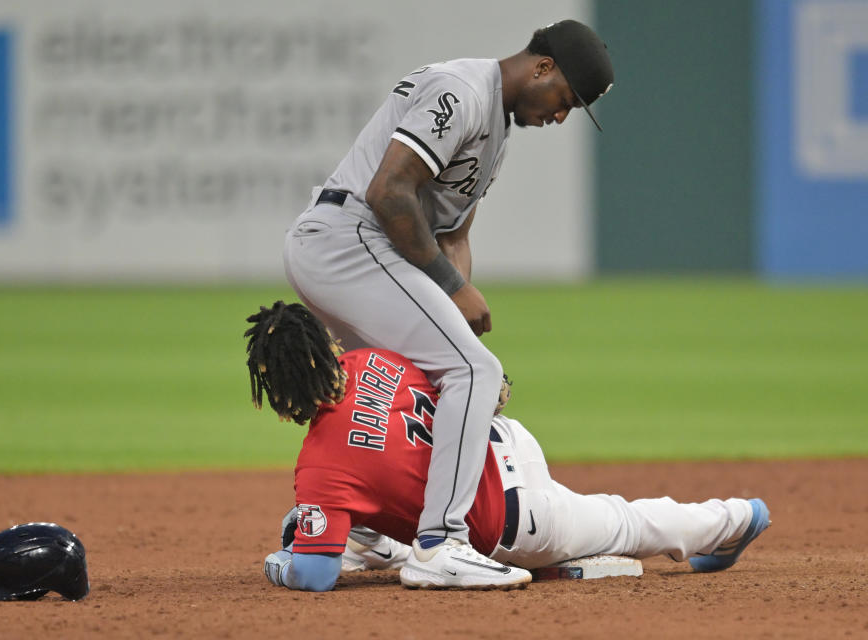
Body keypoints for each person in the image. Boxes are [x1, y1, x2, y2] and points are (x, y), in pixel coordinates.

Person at [283, 19, 615, 587]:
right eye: (567, 99)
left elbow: (452, 238)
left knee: (418, 377)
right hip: (347, 238)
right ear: (542, 67)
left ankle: (360, 534)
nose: (561, 116)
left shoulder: (496, 131)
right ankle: (441, 544)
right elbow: (388, 192)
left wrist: (455, 321)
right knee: (470, 372)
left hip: (360, 251)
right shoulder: (460, 93)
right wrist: (454, 298)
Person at [247, 302, 771, 591]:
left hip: (517, 521)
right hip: (507, 442)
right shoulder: (375, 360)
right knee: (360, 498)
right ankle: (378, 546)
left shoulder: (319, 467)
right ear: (325, 346)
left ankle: (735, 518)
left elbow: (314, 576)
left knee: (625, 523)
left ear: (278, 389)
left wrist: (278, 563)